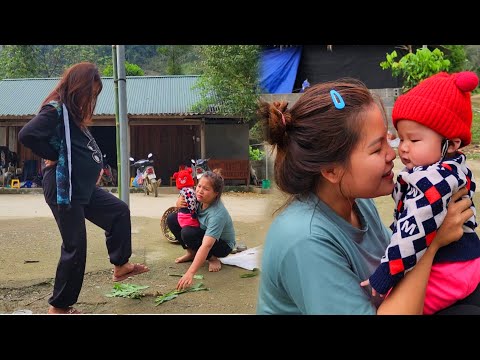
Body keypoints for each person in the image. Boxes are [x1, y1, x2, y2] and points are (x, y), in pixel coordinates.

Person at [255, 77, 479, 315]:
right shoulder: (304, 239)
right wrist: (431, 241)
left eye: (388, 139)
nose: (392, 154)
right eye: (376, 148)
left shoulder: (358, 203)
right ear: (331, 171)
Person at [18, 62, 149, 314]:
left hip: (82, 186)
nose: (91, 99)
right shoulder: (55, 109)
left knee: (118, 212)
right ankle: (59, 307)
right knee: (75, 244)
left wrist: (93, 166)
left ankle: (120, 266)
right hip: (63, 186)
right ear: (78, 87)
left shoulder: (71, 114)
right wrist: (54, 153)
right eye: (90, 93)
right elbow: (27, 135)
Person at [360, 71, 480, 314]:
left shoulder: (432, 182)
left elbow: (413, 234)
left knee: (396, 303)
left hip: (449, 268)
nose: (402, 148)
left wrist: (385, 275)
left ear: (452, 143)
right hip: (461, 263)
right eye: (401, 138)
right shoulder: (449, 168)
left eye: (413, 140)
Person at [166, 169, 236, 290]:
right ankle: (191, 253)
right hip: (202, 232)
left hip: (221, 245)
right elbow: (181, 207)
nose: (199, 191)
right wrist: (179, 203)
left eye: (206, 189)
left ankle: (213, 258)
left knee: (188, 233)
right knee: (172, 218)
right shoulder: (196, 198)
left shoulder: (217, 213)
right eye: (199, 186)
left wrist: (190, 273)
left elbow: (207, 245)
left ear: (216, 194)